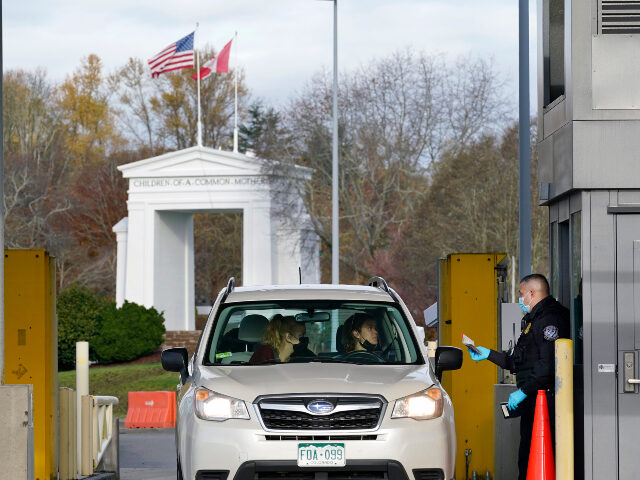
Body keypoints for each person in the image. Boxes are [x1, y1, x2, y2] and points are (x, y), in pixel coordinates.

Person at [467, 273, 569, 480]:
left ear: (532, 293)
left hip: (544, 401)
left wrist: (522, 391)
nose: (520, 300)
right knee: (527, 455)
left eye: (521, 294)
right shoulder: (534, 319)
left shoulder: (550, 320)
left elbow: (548, 366)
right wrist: (487, 354)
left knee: (535, 455)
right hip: (534, 398)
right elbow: (517, 361)